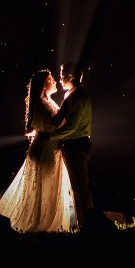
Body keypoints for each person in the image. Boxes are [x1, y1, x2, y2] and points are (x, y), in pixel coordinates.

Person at [0, 69, 75, 232]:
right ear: (44, 84)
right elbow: (54, 123)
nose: (55, 81)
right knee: (44, 187)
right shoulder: (42, 104)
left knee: (47, 187)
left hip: (49, 148)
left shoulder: (47, 101)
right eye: (51, 79)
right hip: (46, 150)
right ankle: (42, 222)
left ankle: (48, 221)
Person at [49, 65, 94, 226]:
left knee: (80, 187)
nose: (60, 80)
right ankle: (84, 222)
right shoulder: (73, 94)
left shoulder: (79, 95)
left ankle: (87, 223)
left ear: (71, 76)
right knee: (77, 187)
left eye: (62, 76)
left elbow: (72, 125)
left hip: (77, 144)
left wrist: (50, 136)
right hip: (74, 144)